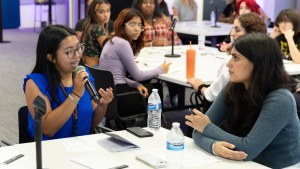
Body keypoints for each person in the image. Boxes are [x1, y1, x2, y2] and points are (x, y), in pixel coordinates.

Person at [186, 33, 300, 169]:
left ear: (258, 63)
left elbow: (248, 149)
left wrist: (207, 127)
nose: (228, 64)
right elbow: (197, 131)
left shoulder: (281, 99)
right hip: (241, 163)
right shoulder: (234, 87)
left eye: (235, 58)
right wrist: (214, 146)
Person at [23, 25, 114, 140]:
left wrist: (102, 106)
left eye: (78, 48)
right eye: (69, 52)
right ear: (51, 57)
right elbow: (47, 129)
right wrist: (75, 95)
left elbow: (92, 124)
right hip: (51, 151)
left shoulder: (82, 74)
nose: (77, 55)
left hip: (81, 148)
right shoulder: (35, 83)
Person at [188, 13, 267, 110]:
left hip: (228, 116)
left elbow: (212, 95)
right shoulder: (265, 58)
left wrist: (200, 86)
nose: (232, 33)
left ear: (250, 34)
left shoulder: (233, 63)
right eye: (233, 29)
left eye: (237, 30)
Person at [99, 8, 170, 98]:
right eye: (132, 24)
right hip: (119, 94)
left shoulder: (114, 39)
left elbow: (115, 75)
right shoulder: (122, 43)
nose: (137, 29)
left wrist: (136, 84)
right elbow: (138, 76)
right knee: (156, 88)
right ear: (122, 25)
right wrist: (161, 69)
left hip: (111, 91)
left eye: (140, 25)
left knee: (150, 87)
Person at [81, 0, 113, 67]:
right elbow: (109, 50)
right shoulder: (98, 28)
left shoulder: (90, 26)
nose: (106, 15)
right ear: (93, 14)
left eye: (108, 11)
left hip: (87, 66)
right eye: (101, 12)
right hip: (95, 68)